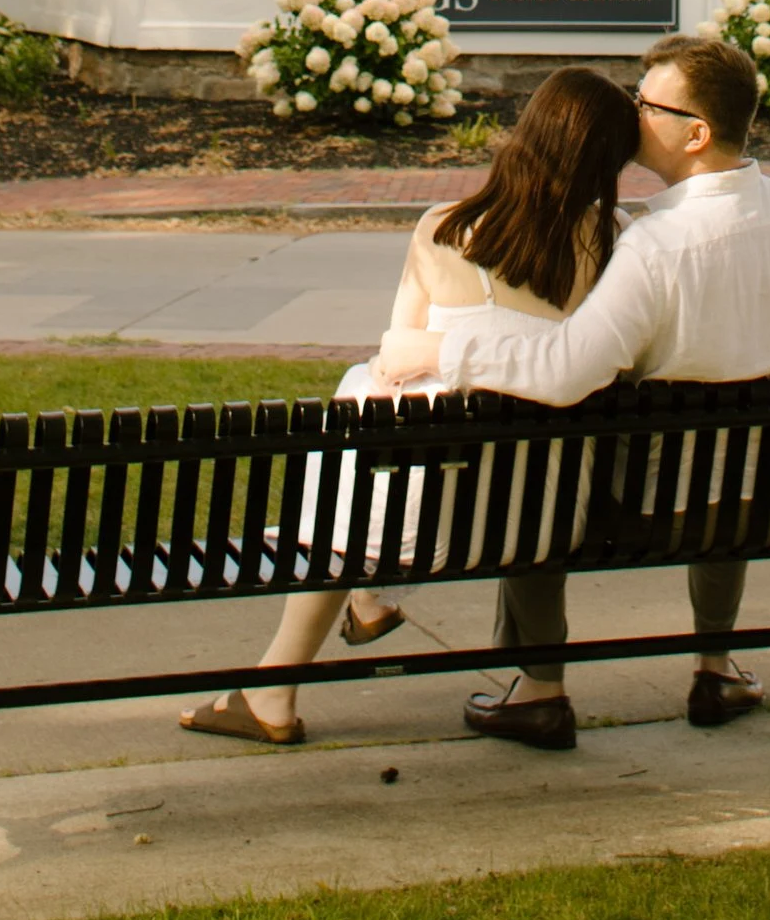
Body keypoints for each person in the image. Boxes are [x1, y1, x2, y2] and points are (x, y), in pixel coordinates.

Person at [381, 31, 770, 754]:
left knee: (534, 443)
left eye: (648, 103)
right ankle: (713, 666)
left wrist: (444, 346)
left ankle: (542, 685)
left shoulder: (653, 246)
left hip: (655, 508)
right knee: (736, 435)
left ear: (695, 132)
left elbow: (565, 371)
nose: (634, 112)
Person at [178, 64, 641, 746]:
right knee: (520, 459)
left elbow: (396, 353)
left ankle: (284, 677)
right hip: (543, 519)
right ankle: (541, 683)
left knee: (366, 397)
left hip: (425, 526)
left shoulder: (442, 229)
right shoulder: (615, 241)